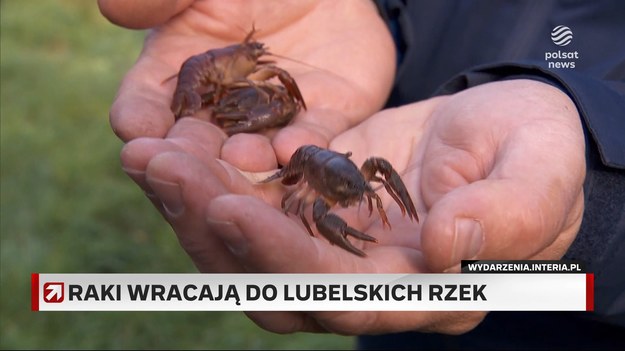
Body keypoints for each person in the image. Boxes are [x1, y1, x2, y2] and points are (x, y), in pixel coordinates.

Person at [98, 0, 625, 349]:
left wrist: (603, 182)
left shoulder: (364, 172)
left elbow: (370, 174)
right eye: (360, 184)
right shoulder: (311, 181)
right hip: (408, 269)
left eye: (362, 183)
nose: (367, 187)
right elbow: (306, 202)